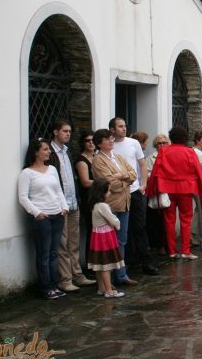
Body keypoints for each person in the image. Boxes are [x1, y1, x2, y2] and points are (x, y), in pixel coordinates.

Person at [47, 120, 95, 292]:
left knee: (74, 243)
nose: (68, 134)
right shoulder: (50, 152)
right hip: (60, 205)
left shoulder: (67, 151)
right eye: (64, 131)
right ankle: (65, 279)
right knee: (63, 243)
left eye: (69, 131)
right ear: (55, 132)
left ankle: (77, 275)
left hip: (73, 202)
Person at [18, 139, 69, 300]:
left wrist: (64, 207)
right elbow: (23, 197)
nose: (48, 152)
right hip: (42, 218)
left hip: (58, 215)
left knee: (54, 253)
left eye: (48, 149)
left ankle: (54, 285)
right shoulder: (27, 173)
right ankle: (46, 287)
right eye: (45, 149)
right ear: (36, 152)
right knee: (44, 253)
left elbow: (59, 190)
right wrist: (37, 212)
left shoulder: (52, 169)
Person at [147, 127, 202, 260]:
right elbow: (198, 171)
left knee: (169, 220)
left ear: (171, 137)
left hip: (167, 189)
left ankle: (172, 251)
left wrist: (150, 189)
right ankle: (186, 250)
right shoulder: (190, 152)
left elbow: (155, 171)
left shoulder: (163, 151)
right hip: (186, 189)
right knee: (186, 220)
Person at [109, 118, 159, 276]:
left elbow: (142, 164)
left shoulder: (133, 143)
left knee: (139, 227)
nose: (124, 129)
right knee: (122, 229)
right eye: (120, 126)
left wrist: (143, 184)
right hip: (118, 192)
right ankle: (126, 263)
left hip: (135, 190)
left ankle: (146, 261)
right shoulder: (109, 145)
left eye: (124, 126)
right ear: (112, 129)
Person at [91, 129, 138, 286]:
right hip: (111, 205)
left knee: (121, 241)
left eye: (112, 138)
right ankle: (109, 278)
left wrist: (123, 176)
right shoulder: (98, 160)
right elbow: (110, 184)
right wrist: (125, 178)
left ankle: (121, 274)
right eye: (107, 139)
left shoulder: (118, 157)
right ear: (99, 143)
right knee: (109, 242)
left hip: (124, 203)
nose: (111, 141)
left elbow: (134, 174)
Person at [87, 179, 125, 298]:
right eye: (108, 191)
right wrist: (117, 222)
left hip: (97, 237)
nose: (110, 193)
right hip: (105, 237)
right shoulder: (103, 206)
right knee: (106, 265)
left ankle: (101, 288)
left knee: (99, 265)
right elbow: (113, 221)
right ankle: (109, 290)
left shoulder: (95, 205)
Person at [74, 130, 96, 274]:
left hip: (100, 199)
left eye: (93, 140)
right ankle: (90, 264)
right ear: (83, 143)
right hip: (89, 200)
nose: (91, 143)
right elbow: (86, 182)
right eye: (87, 140)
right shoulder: (82, 160)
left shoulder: (98, 157)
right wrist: (104, 181)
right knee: (92, 232)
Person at [145, 134, 169, 255]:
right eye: (159, 143)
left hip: (169, 192)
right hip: (156, 192)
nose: (162, 145)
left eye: (164, 142)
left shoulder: (170, 157)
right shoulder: (150, 158)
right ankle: (159, 245)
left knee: (169, 220)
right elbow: (147, 174)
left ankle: (169, 244)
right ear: (156, 145)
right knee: (157, 220)